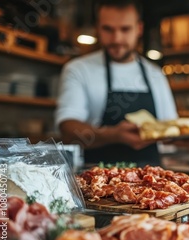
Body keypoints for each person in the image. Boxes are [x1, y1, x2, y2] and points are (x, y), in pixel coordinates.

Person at [55, 0, 177, 166]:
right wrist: (113, 134)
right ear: (98, 28)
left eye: (125, 29)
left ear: (139, 29)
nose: (117, 39)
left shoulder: (155, 74)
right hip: (98, 180)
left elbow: (171, 130)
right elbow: (68, 130)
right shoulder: (78, 69)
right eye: (108, 29)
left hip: (153, 181)